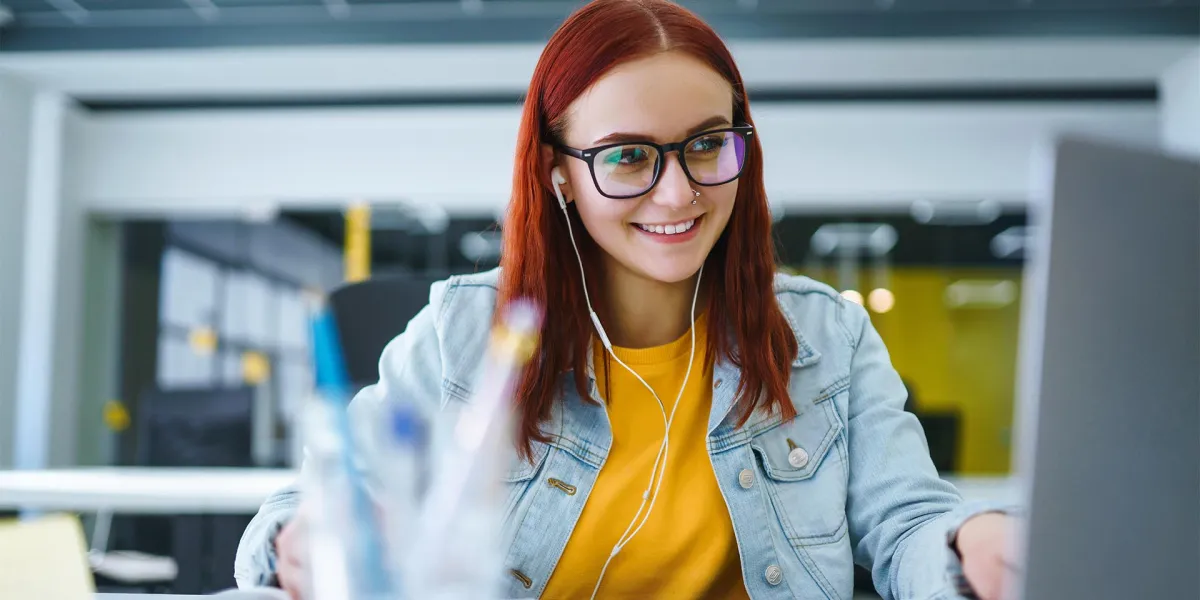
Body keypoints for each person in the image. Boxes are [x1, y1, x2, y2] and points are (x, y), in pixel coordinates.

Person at [235, 1, 1016, 598]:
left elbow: (908, 523)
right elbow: (301, 515)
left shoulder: (826, 337)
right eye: (629, 156)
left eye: (708, 144)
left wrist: (968, 541)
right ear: (559, 172)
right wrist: (303, 544)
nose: (678, 191)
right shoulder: (462, 334)